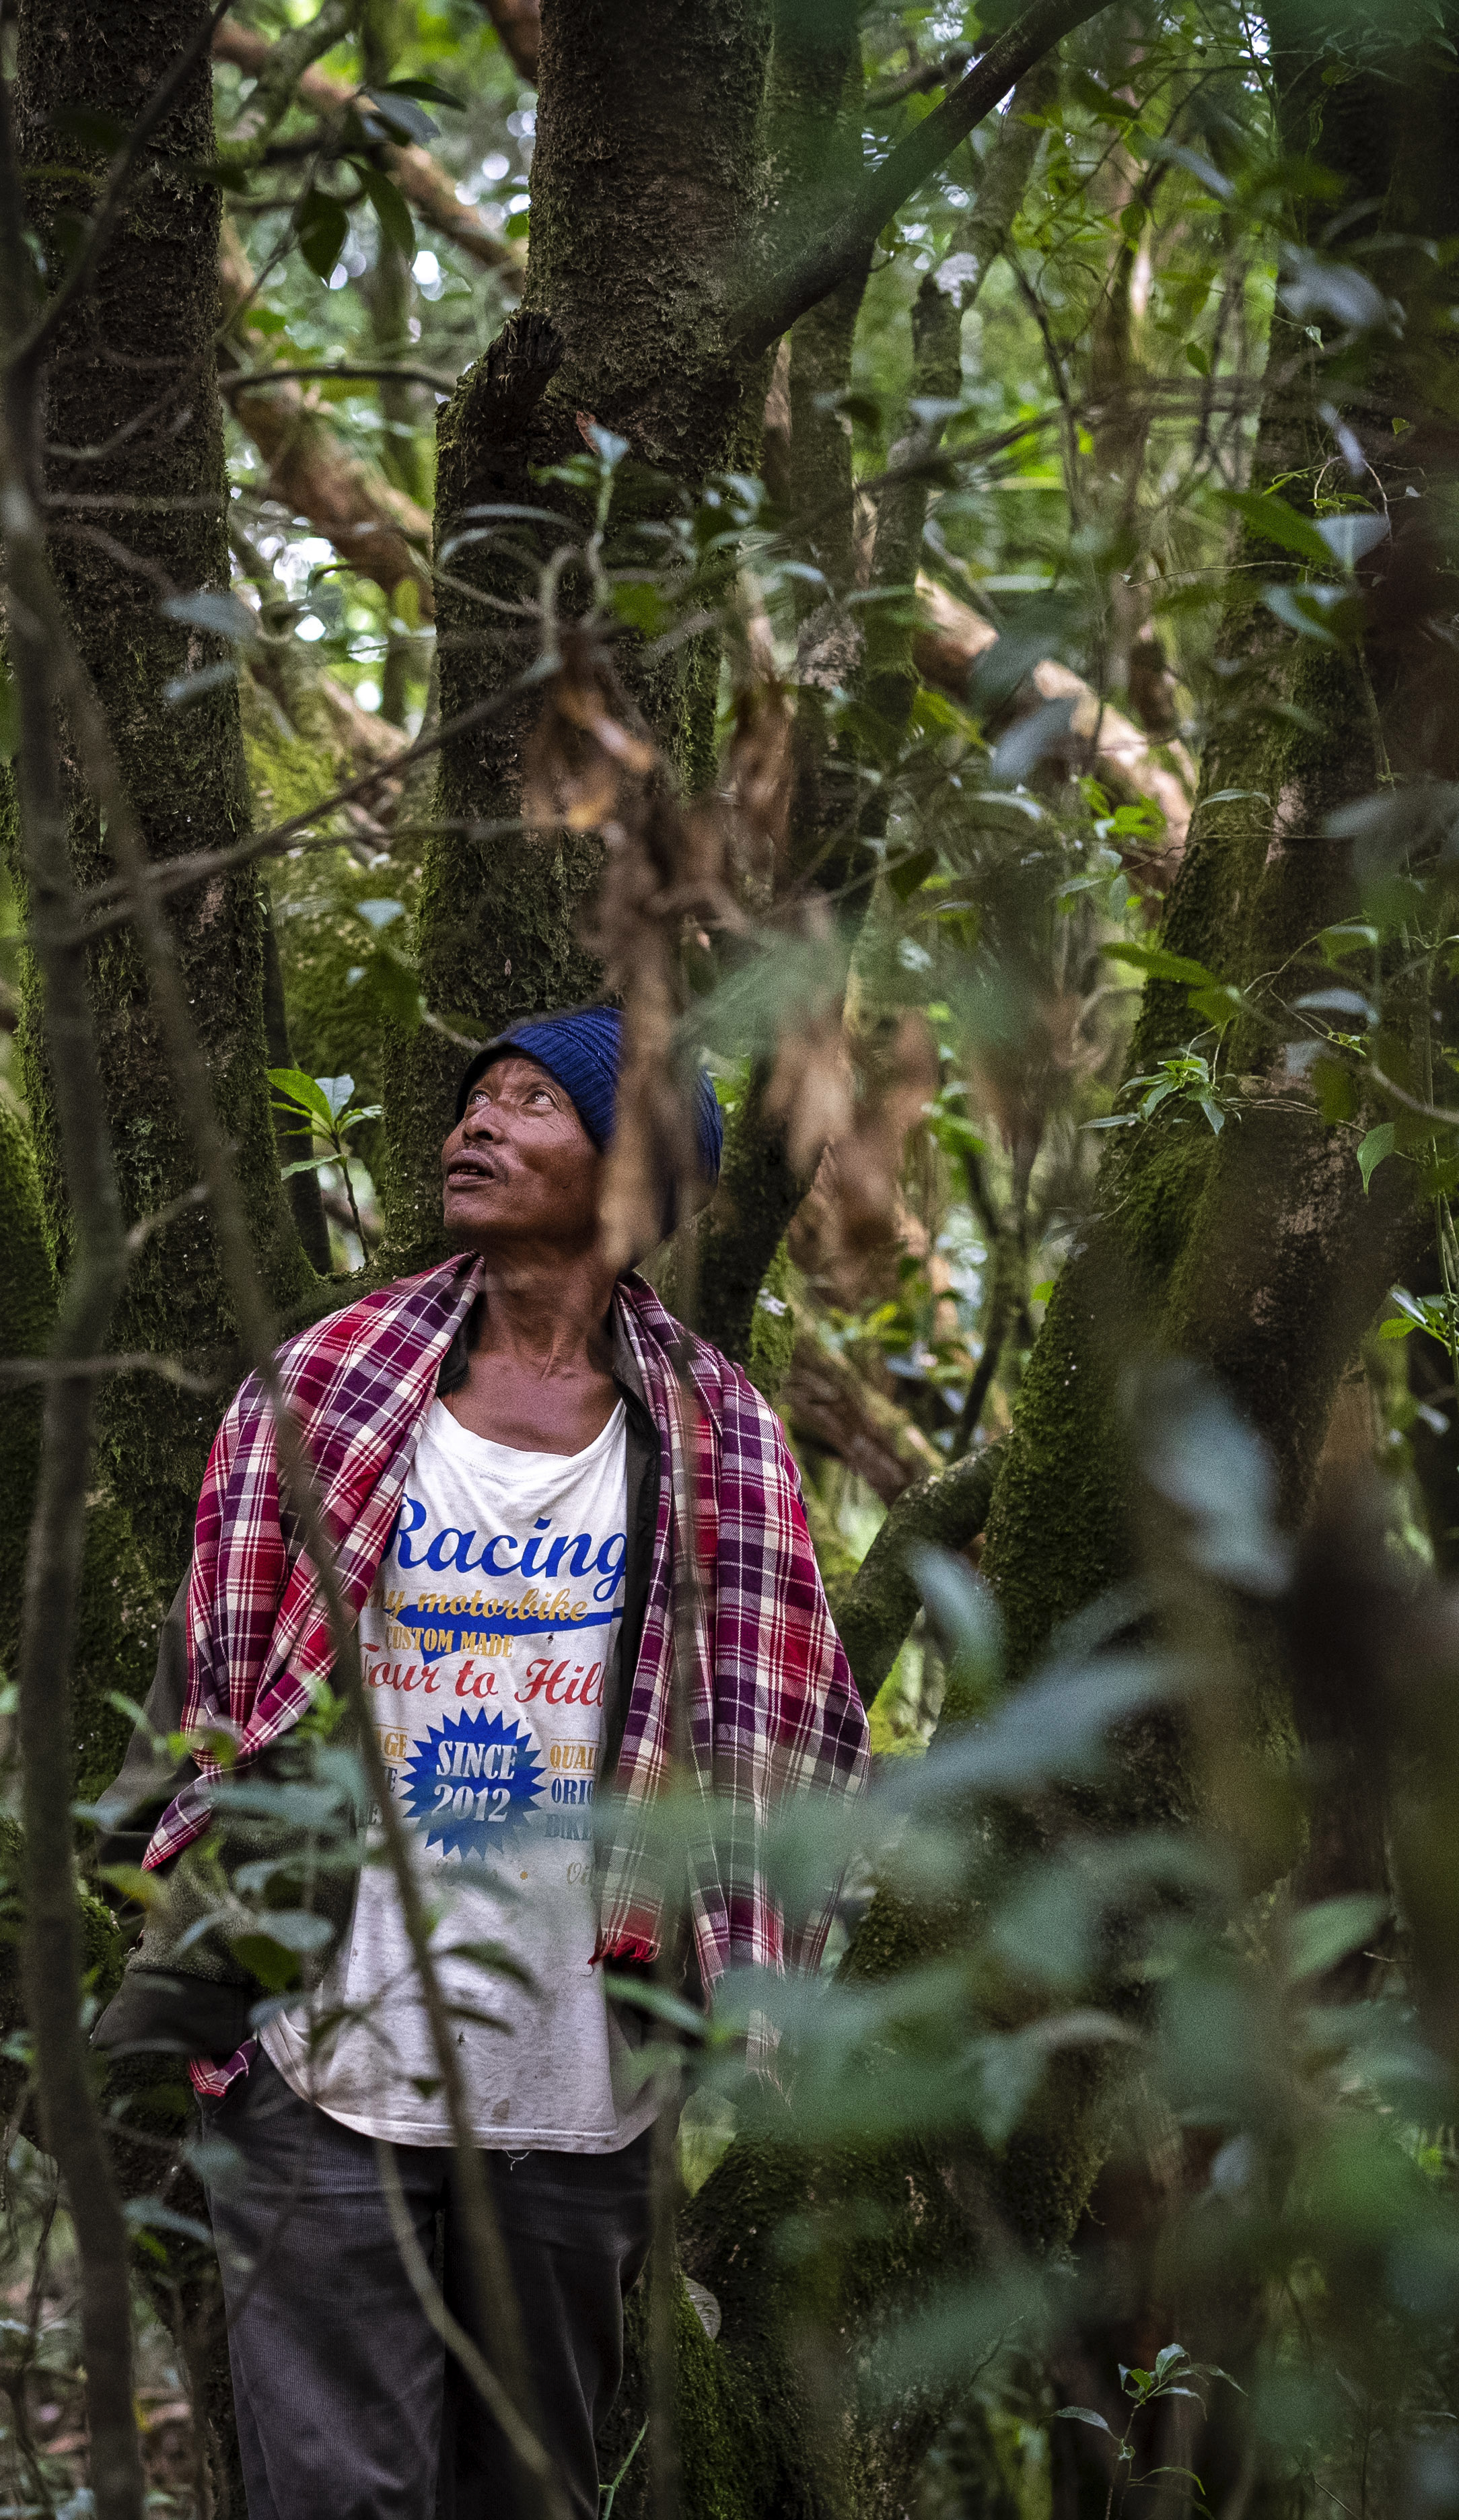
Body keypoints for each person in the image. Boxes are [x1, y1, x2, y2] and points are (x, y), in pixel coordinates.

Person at [100, 1006, 870, 2519]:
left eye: (534, 1105)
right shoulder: (327, 1383)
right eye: (476, 1102)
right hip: (322, 2058)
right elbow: (207, 1691)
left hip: (580, 2089)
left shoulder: (719, 1440)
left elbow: (791, 1746)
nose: (477, 1126)